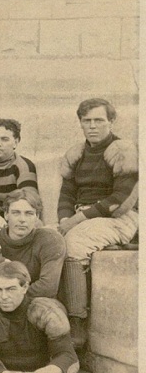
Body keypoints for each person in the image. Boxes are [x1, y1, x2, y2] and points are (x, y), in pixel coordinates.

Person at [56, 98, 138, 348]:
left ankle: (77, 320)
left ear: (111, 121)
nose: (92, 126)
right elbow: (66, 194)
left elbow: (120, 200)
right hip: (81, 218)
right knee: (46, 239)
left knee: (74, 243)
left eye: (99, 120)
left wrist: (75, 221)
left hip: (119, 218)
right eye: (86, 121)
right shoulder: (77, 153)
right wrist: (63, 219)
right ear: (80, 123)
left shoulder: (123, 150)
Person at [0, 189, 65, 301]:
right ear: (6, 215)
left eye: (29, 213)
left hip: (35, 300)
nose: (22, 220)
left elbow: (48, 287)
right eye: (16, 213)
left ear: (37, 216)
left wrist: (9, 298)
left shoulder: (50, 240)